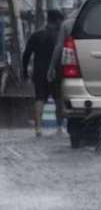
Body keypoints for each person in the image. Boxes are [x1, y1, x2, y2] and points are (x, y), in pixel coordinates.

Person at [22, 9, 65, 137]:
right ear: (57, 20)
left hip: (39, 72)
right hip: (57, 72)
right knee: (59, 100)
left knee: (39, 98)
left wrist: (24, 71)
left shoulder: (36, 35)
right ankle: (59, 128)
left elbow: (26, 54)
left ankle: (38, 129)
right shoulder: (59, 36)